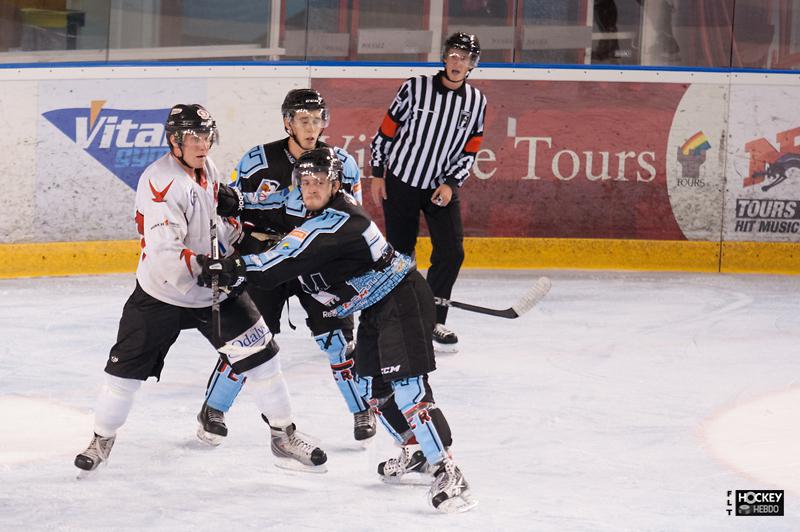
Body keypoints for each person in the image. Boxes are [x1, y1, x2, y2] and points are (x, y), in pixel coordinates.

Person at [200, 148, 477, 513]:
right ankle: (416, 451)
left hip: (402, 301)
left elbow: (278, 262)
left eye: (320, 182)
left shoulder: (338, 223)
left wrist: (232, 266)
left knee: (409, 390)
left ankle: (449, 470)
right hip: (378, 306)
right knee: (370, 387)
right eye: (306, 181)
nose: (311, 189)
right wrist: (235, 201)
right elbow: (277, 210)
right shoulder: (314, 206)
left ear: (336, 185)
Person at [74, 104, 327, 476]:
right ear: (174, 141)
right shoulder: (161, 182)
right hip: (162, 293)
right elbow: (165, 252)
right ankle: (102, 437)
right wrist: (207, 265)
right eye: (194, 136)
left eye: (207, 135)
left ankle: (283, 435)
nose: (203, 143)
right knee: (123, 376)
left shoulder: (207, 168)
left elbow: (215, 223)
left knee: (265, 360)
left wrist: (242, 241)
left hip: (215, 290)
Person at [195, 88, 376, 447]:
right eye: (303, 120)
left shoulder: (342, 163)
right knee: (247, 339)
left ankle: (362, 408)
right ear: (287, 122)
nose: (312, 127)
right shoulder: (256, 161)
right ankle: (213, 410)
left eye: (317, 120)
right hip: (266, 260)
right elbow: (230, 212)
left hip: (319, 261)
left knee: (339, 341)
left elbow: (352, 218)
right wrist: (226, 259)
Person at [369, 31, 488, 353]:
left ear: (472, 64)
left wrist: (452, 184)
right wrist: (378, 174)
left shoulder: (477, 102)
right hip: (402, 182)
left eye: (464, 57)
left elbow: (470, 150)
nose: (457, 61)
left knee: (451, 253)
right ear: (444, 57)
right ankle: (399, 318)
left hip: (440, 188)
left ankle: (433, 319)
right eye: (452, 55)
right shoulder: (415, 87)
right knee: (401, 256)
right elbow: (385, 133)